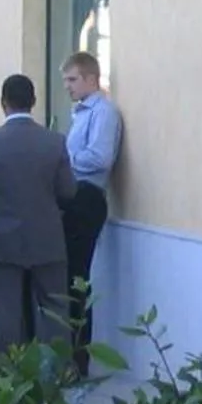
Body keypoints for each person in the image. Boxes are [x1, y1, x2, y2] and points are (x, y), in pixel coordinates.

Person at [0, 73, 75, 349]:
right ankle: (56, 375)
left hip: (1, 239)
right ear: (34, 102)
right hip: (47, 236)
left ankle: (11, 378)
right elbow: (68, 191)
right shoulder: (55, 142)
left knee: (7, 313)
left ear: (3, 103)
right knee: (55, 311)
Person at [60, 51, 122, 376]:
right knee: (68, 277)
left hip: (87, 196)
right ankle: (69, 353)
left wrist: (63, 159)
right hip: (73, 195)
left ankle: (79, 359)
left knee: (77, 278)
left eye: (72, 80)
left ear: (90, 79)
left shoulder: (103, 112)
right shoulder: (81, 113)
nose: (67, 87)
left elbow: (99, 158)